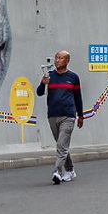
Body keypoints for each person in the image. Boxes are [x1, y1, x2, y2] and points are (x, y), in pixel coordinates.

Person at [37, 50, 84, 185]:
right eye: (56, 58)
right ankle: (70, 170)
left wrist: (80, 116)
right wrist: (43, 83)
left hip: (68, 116)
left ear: (67, 61)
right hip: (52, 115)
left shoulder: (73, 77)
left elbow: (78, 98)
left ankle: (57, 171)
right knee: (62, 145)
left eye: (61, 58)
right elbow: (39, 93)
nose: (57, 60)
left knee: (61, 146)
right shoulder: (50, 76)